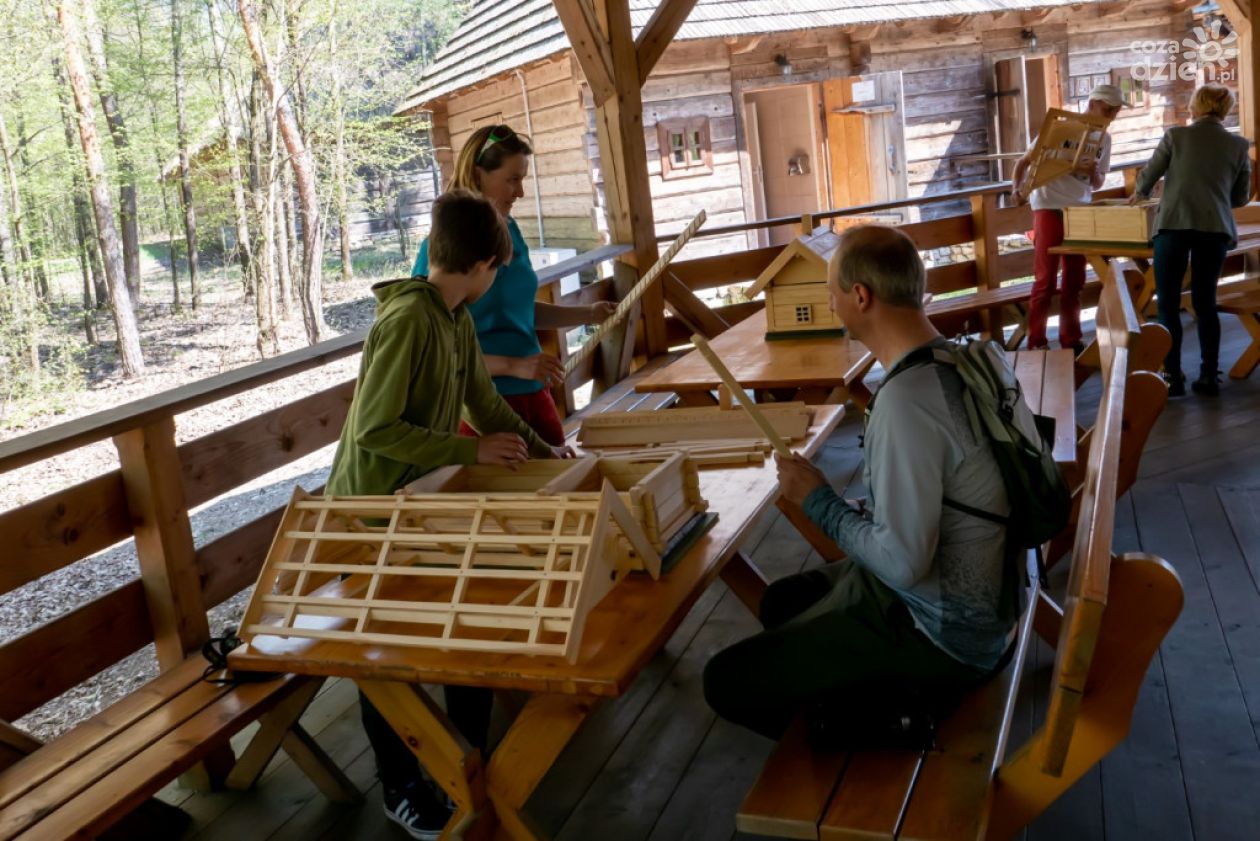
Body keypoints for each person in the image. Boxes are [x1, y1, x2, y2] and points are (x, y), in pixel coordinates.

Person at [703, 225, 1016, 742]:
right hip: (985, 596)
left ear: (860, 297)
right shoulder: (963, 359)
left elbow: (903, 562)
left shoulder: (906, 402)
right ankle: (847, 690)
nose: (828, 303)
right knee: (782, 601)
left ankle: (892, 714)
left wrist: (820, 503)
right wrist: (863, 510)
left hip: (945, 630)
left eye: (831, 292)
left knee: (726, 682)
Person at [326, 190, 566, 839]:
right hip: (365, 514)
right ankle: (401, 786)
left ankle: (464, 761)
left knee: (472, 626)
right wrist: (469, 449)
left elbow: (487, 406)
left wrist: (552, 455)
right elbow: (376, 427)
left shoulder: (454, 319)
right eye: (498, 271)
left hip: (416, 504)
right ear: (484, 264)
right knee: (383, 655)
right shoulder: (406, 320)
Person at [412, 124, 615, 445]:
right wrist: (513, 366)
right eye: (512, 180)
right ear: (479, 174)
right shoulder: (440, 250)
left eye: (522, 180)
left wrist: (589, 313)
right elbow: (435, 351)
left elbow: (519, 311)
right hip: (482, 408)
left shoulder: (512, 232)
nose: (520, 192)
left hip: (535, 394)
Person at [1130, 83, 1251, 397]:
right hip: (1214, 229)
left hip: (1173, 225)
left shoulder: (1176, 137)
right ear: (1225, 109)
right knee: (1205, 302)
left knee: (1168, 304)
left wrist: (1140, 193)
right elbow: (1239, 198)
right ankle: (1209, 375)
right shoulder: (1238, 145)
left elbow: (1148, 176)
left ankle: (1172, 377)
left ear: (1196, 107)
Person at [1011, 85, 1123, 352]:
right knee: (1045, 280)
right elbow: (1022, 163)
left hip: (1080, 209)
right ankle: (1036, 340)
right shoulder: (1059, 129)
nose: (1111, 116)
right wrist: (1016, 189)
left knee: (1075, 280)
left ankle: (1070, 339)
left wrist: (1093, 171)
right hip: (1048, 206)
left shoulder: (1104, 139)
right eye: (1108, 109)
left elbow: (1096, 183)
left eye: (1116, 111)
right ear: (1093, 104)